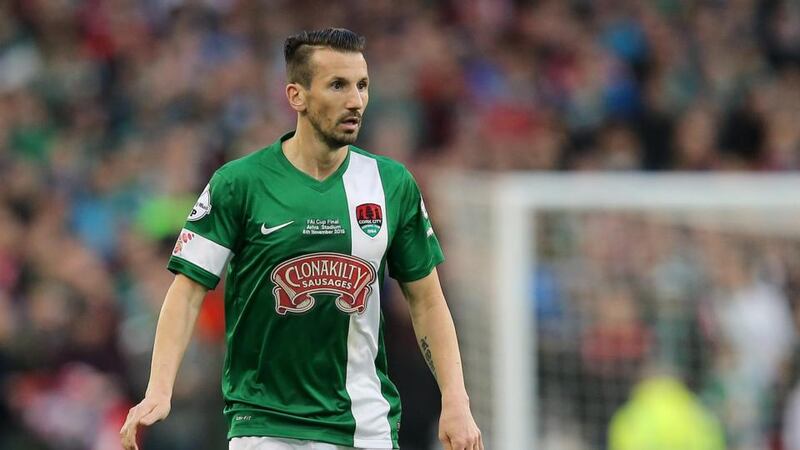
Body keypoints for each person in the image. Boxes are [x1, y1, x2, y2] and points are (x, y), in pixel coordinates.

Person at [120, 28, 482, 450]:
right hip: (266, 427)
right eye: (338, 85)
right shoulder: (239, 184)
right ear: (296, 96)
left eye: (362, 85)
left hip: (365, 426)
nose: (356, 100)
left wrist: (455, 399)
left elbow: (427, 300)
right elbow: (186, 292)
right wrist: (159, 389)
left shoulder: (392, 185)